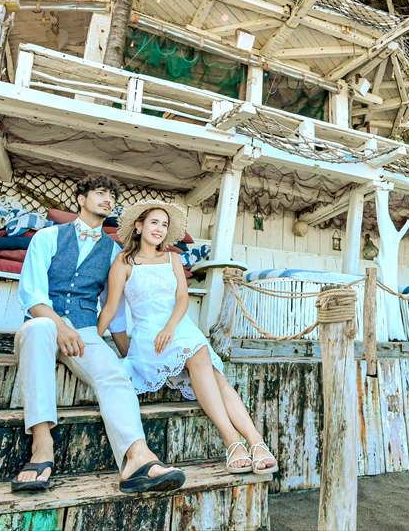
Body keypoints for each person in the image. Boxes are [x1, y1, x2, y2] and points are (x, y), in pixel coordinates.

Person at [11, 176, 185, 493]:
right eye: (100, 193)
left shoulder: (113, 253)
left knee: (115, 374)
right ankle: (41, 444)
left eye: (112, 197)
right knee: (39, 328)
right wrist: (60, 326)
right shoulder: (48, 237)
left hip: (84, 330)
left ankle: (137, 458)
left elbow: (113, 309)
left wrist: (128, 353)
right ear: (81, 198)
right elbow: (32, 295)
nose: (108, 199)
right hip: (43, 324)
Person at [99, 200, 277, 475]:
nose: (159, 229)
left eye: (164, 224)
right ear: (139, 226)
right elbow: (111, 307)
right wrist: (91, 341)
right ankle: (240, 442)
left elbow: (183, 298)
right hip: (149, 336)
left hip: (178, 327)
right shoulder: (124, 263)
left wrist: (170, 327)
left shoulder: (173, 259)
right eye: (154, 222)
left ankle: (249, 443)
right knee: (207, 364)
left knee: (206, 363)